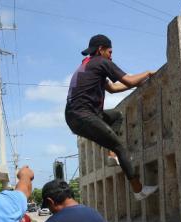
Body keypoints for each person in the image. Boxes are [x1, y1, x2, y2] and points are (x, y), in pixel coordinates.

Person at [66, 34, 158, 201]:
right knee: (120, 147)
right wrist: (147, 73)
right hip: (83, 115)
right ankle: (139, 190)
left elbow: (113, 88)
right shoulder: (102, 62)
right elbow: (128, 81)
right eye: (110, 51)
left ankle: (111, 156)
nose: (111, 55)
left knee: (116, 116)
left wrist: (137, 82)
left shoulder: (87, 65)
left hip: (74, 116)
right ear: (101, 50)